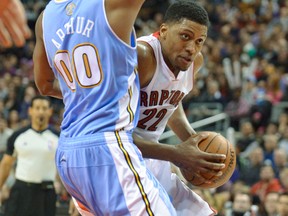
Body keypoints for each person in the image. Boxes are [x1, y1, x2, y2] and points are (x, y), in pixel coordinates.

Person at [33, 0, 178, 215]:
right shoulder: (110, 4)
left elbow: (44, 84)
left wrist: (85, 92)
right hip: (108, 146)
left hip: (68, 154)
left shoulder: (44, 18)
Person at [132, 1, 226, 215]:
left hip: (152, 154)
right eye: (185, 36)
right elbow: (113, 137)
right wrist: (177, 154)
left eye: (199, 41)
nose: (192, 48)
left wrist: (193, 142)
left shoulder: (194, 62)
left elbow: (170, 103)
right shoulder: (143, 56)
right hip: (120, 157)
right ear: (163, 31)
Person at [0, 95, 59, 216]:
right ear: (30, 111)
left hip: (46, 193)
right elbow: (6, 165)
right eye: (37, 108)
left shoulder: (58, 137)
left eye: (44, 108)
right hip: (21, 191)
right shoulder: (17, 136)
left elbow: (67, 168)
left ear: (50, 111)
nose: (40, 111)